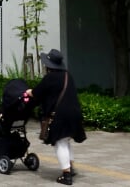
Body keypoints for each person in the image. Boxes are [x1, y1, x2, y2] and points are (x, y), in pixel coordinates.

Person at [25, 49, 87, 185]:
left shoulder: (50, 78)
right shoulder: (67, 75)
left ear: (49, 65)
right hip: (74, 113)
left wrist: (29, 92)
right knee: (66, 141)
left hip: (61, 116)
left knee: (60, 143)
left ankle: (66, 175)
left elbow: (37, 93)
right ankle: (70, 168)